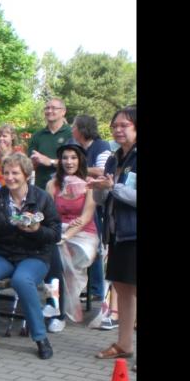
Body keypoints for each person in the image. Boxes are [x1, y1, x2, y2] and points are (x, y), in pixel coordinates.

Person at [0, 153, 61, 361]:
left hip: (35, 255)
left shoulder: (42, 198)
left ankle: (40, 337)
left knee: (22, 280)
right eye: (6, 173)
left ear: (26, 174)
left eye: (15, 173)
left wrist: (36, 230)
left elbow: (55, 234)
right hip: (4, 254)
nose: (10, 177)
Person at [89, 106, 137, 366]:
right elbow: (102, 199)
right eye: (114, 126)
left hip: (134, 232)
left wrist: (113, 187)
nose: (118, 130)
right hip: (117, 234)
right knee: (122, 287)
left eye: (124, 125)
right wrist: (98, 189)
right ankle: (124, 344)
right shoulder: (113, 158)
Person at [46, 143, 98, 325]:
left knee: (60, 256)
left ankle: (59, 306)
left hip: (83, 234)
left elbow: (86, 217)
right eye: (65, 158)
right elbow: (49, 215)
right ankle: (55, 308)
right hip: (59, 231)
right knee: (53, 258)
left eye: (73, 158)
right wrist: (59, 233)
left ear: (80, 160)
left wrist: (66, 236)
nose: (69, 162)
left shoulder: (90, 184)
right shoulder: (52, 184)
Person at [70, 114, 114, 305]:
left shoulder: (101, 146)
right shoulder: (78, 147)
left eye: (74, 126)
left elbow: (103, 171)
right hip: (78, 198)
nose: (72, 130)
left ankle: (96, 289)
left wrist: (77, 168)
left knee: (94, 244)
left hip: (96, 202)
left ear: (82, 129)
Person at [28, 98, 73, 190]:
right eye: (47, 108)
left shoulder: (72, 133)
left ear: (63, 112)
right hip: (41, 188)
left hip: (66, 188)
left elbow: (77, 164)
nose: (49, 111)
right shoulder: (37, 135)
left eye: (53, 108)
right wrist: (32, 162)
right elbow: (29, 163)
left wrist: (50, 161)